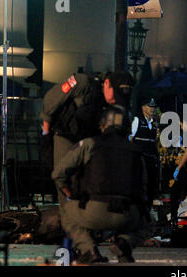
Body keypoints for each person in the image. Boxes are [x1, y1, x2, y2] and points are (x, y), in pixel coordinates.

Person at [52, 106, 148, 264]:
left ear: (103, 125)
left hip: (93, 211)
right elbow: (143, 189)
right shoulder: (136, 152)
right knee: (148, 223)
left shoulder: (89, 144)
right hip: (125, 214)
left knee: (66, 213)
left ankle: (89, 249)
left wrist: (68, 193)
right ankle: (124, 243)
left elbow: (58, 173)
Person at [41, 71, 134, 232]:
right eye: (115, 93)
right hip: (66, 136)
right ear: (106, 84)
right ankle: (70, 229)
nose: (116, 98)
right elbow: (52, 98)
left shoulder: (119, 103)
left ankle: (88, 226)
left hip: (91, 142)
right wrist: (46, 128)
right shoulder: (83, 83)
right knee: (64, 178)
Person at [131, 98, 159, 207]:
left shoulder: (154, 124)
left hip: (151, 160)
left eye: (153, 107)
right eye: (150, 106)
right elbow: (130, 138)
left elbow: (153, 143)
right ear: (143, 107)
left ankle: (148, 209)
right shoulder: (137, 120)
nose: (152, 108)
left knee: (151, 185)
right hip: (140, 159)